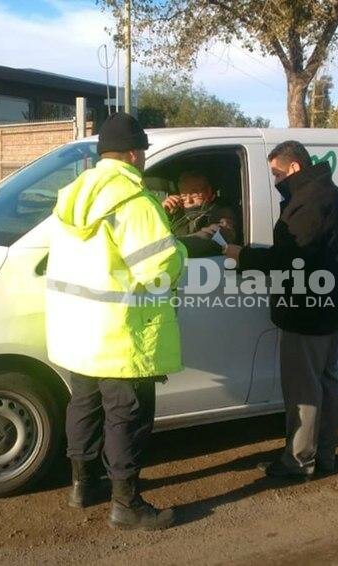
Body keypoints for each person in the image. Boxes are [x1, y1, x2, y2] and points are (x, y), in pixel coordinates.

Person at [45, 112, 187, 530]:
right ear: (133, 153)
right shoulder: (132, 200)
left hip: (79, 331)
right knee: (126, 415)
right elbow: (158, 267)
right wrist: (178, 248)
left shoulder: (75, 194)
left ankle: (83, 486)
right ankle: (126, 505)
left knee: (84, 406)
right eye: (142, 151)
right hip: (121, 332)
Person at [224, 140, 338, 479]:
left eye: (276, 173)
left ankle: (298, 462)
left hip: (305, 311)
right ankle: (324, 456)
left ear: (294, 167)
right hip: (329, 308)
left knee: (304, 391)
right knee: (326, 384)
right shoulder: (333, 196)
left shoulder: (308, 202)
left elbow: (290, 259)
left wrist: (244, 255)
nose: (274, 180)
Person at [162, 170, 238, 256]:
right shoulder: (176, 214)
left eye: (194, 194)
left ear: (208, 191)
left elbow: (218, 235)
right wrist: (163, 213)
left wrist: (176, 245)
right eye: (183, 196)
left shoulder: (221, 211)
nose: (189, 200)